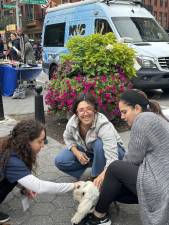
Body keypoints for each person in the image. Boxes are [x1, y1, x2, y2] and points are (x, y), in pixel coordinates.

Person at [78, 89, 169, 225]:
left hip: (160, 185)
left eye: (124, 112)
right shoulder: (156, 117)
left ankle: (99, 216)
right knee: (115, 187)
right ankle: (101, 206)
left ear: (137, 108)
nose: (122, 116)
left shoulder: (143, 120)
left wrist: (106, 174)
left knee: (115, 168)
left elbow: (132, 159)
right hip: (162, 182)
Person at [0, 119, 80, 224]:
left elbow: (14, 175)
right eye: (39, 141)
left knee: (13, 180)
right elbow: (40, 186)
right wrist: (74, 186)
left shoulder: (12, 145)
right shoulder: (12, 159)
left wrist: (25, 187)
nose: (43, 145)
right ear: (26, 141)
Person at [55, 93, 125, 189]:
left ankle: (96, 178)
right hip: (90, 152)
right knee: (60, 161)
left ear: (95, 110)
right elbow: (67, 137)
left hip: (115, 154)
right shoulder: (73, 121)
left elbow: (112, 158)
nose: (85, 113)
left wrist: (100, 176)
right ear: (76, 112)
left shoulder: (103, 124)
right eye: (81, 110)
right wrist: (77, 153)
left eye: (89, 109)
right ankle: (95, 166)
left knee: (98, 144)